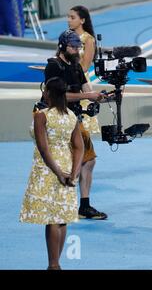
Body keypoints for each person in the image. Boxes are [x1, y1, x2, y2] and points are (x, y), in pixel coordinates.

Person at [20, 77, 84, 270]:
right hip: (67, 165)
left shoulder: (41, 115)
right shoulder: (72, 116)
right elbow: (79, 147)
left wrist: (58, 172)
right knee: (61, 217)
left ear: (48, 93)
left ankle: (53, 265)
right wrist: (74, 173)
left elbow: (44, 149)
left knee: (51, 219)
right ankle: (56, 263)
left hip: (49, 169)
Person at [44, 29, 108, 219]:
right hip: (57, 118)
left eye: (79, 47)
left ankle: (84, 206)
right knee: (61, 160)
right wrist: (88, 96)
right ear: (63, 47)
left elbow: (88, 90)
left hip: (74, 118)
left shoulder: (76, 66)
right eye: (73, 47)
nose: (77, 51)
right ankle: (61, 202)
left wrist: (105, 97)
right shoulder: (53, 66)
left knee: (88, 160)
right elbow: (59, 95)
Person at [67, 6, 107, 220]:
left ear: (82, 20)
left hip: (80, 86)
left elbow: (84, 67)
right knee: (81, 153)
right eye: (68, 17)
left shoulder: (87, 39)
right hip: (72, 89)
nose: (69, 20)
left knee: (82, 152)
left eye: (72, 17)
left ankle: (81, 202)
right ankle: (80, 203)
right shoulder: (68, 38)